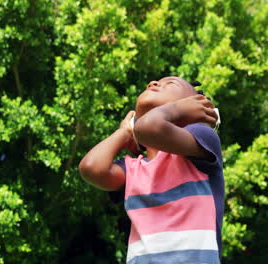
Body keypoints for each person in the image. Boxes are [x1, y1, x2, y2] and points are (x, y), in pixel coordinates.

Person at [78, 76, 224, 264]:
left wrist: (178, 110)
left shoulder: (203, 138)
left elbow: (150, 128)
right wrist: (124, 132)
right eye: (154, 83)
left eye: (170, 84)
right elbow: (91, 167)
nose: (153, 83)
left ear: (195, 106)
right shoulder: (133, 168)